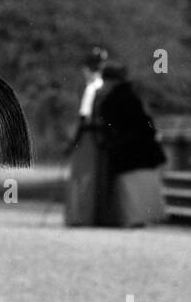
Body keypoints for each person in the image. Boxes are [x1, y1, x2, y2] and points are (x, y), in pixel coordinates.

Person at [96, 62, 167, 227]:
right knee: (141, 185)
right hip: (140, 148)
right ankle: (141, 217)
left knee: (130, 187)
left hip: (126, 149)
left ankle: (133, 218)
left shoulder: (112, 100)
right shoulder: (131, 96)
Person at [63, 47, 110, 226]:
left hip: (88, 138)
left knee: (81, 176)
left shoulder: (91, 88)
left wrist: (72, 142)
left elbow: (84, 118)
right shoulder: (103, 87)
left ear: (88, 69)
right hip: (98, 137)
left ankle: (80, 216)